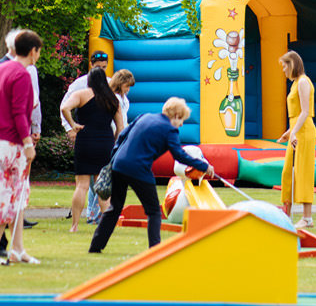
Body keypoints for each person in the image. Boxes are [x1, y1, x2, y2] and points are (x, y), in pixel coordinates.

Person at [88, 98, 213, 253]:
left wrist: (113, 159)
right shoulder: (170, 130)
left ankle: (95, 247)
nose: (181, 124)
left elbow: (122, 137)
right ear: (175, 115)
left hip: (119, 165)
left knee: (114, 208)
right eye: (181, 120)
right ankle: (155, 249)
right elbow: (180, 155)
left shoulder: (143, 116)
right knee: (154, 211)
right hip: (139, 169)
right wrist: (204, 165)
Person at [0, 29, 42, 255]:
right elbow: (18, 113)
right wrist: (27, 144)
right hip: (10, 142)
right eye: (38, 51)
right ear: (33, 51)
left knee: (7, 194)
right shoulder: (23, 74)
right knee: (9, 195)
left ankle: (15, 249)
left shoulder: (1, 68)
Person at [59, 64, 128, 233]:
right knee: (102, 185)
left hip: (85, 140)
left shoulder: (81, 94)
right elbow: (120, 127)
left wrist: (73, 124)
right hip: (104, 143)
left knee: (81, 186)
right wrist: (113, 142)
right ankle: (106, 225)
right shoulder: (113, 99)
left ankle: (74, 225)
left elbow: (64, 107)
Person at [84, 69, 135, 225]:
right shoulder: (113, 99)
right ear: (121, 83)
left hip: (118, 136)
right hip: (111, 137)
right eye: (127, 86)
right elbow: (116, 121)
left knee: (102, 177)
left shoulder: (123, 99)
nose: (128, 89)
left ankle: (95, 212)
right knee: (104, 178)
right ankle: (95, 213)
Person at [278, 50, 316, 227]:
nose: (283, 70)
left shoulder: (303, 82)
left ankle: (307, 217)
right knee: (288, 172)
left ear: (292, 64)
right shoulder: (294, 84)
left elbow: (306, 111)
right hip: (296, 130)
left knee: (303, 171)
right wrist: (289, 131)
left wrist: (294, 132)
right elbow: (296, 113)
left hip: (304, 131)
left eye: (284, 66)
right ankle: (286, 211)